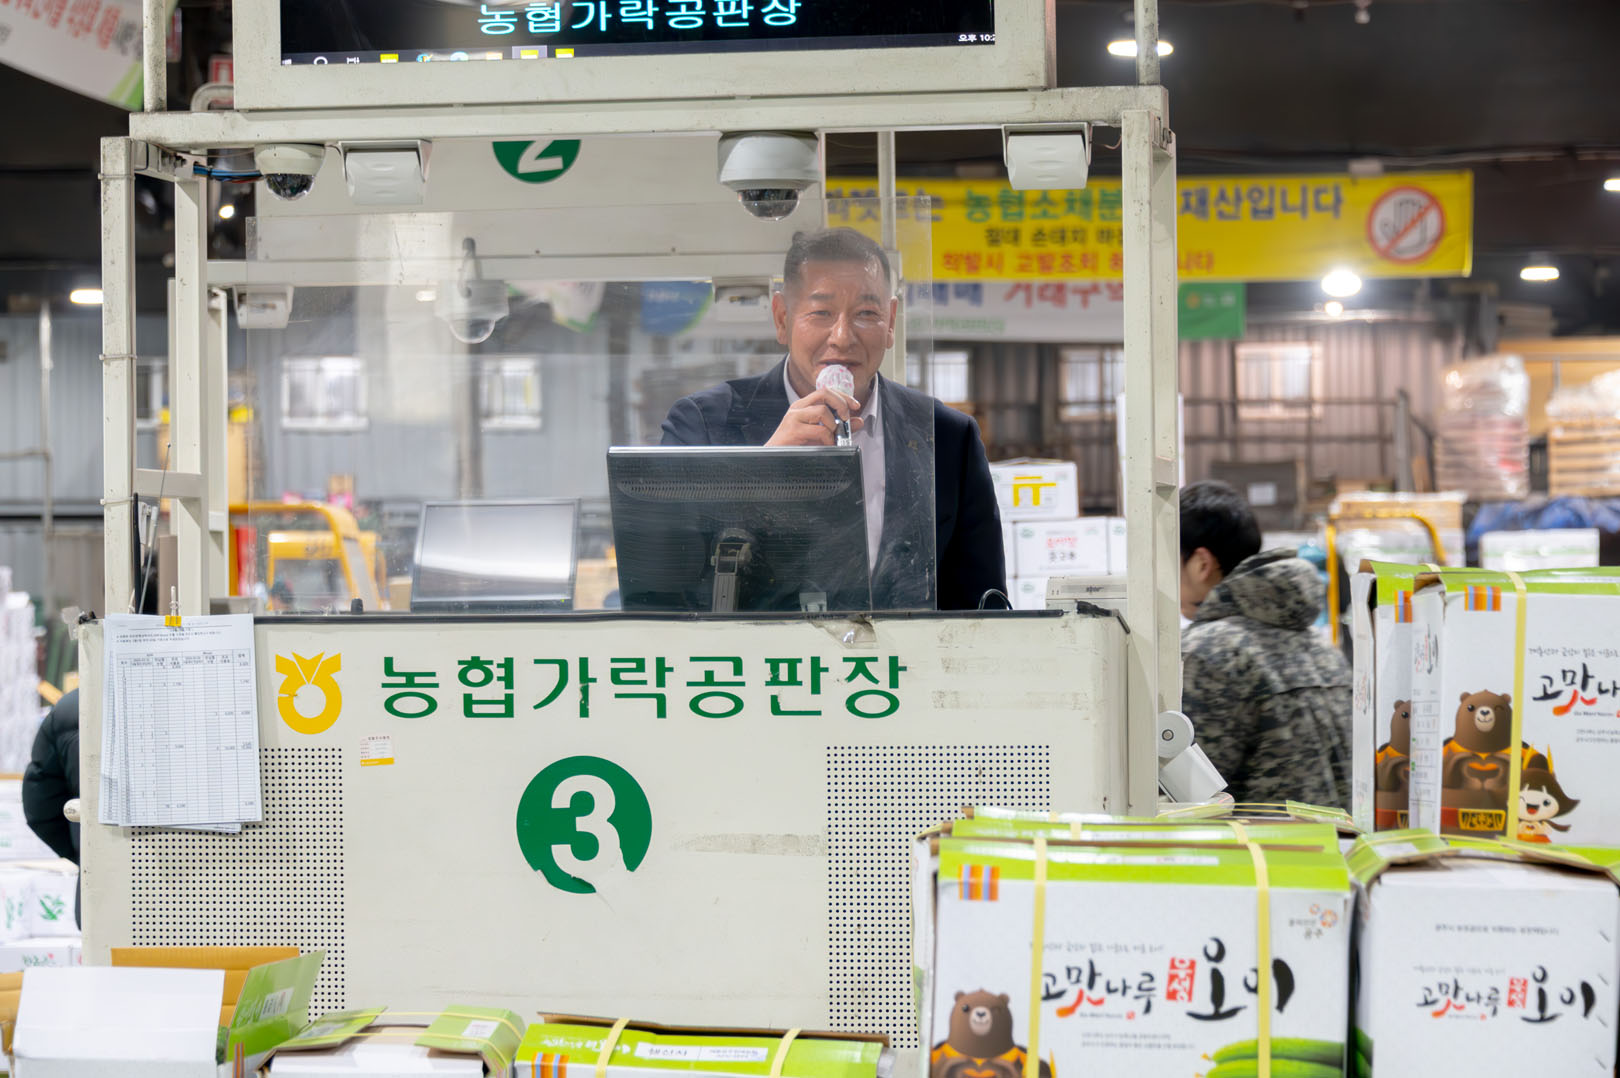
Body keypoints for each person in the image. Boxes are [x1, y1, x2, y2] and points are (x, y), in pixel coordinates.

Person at [660, 227, 1005, 610]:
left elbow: (983, 607)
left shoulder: (947, 437)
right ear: (782, 318)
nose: (842, 337)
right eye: (821, 313)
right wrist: (761, 472)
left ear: (891, 322)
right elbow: (667, 590)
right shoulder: (703, 424)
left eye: (866, 314)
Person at [1178, 481, 1352, 808]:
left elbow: (1191, 802)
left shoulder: (1209, 652)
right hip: (1335, 840)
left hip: (1261, 841)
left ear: (1201, 563)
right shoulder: (1322, 650)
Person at [23, 688, 80, 925]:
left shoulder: (70, 708)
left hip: (104, 887)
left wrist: (82, 851)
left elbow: (40, 805)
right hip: (190, 884)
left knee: (106, 945)